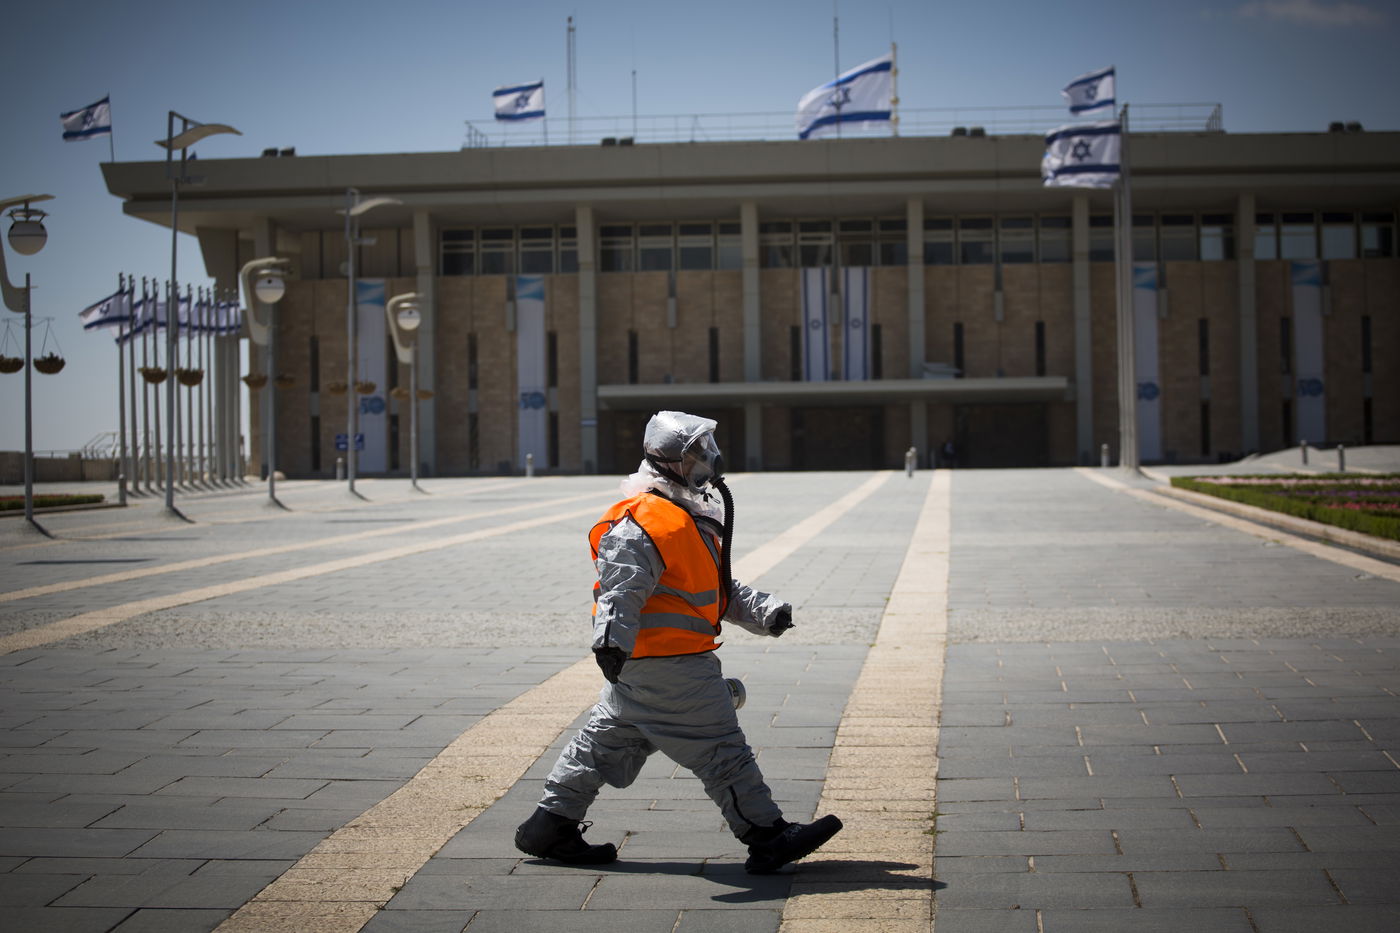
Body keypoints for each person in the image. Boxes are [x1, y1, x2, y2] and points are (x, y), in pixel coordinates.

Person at [515, 410, 843, 874]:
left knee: (603, 744)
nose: (709, 459)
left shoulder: (683, 515)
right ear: (669, 461)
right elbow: (621, 586)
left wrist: (764, 610)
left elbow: (710, 587)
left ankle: (549, 825)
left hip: (646, 664)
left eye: (708, 449)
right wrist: (610, 641)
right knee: (720, 748)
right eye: (697, 452)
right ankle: (766, 834)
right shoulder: (645, 519)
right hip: (672, 664)